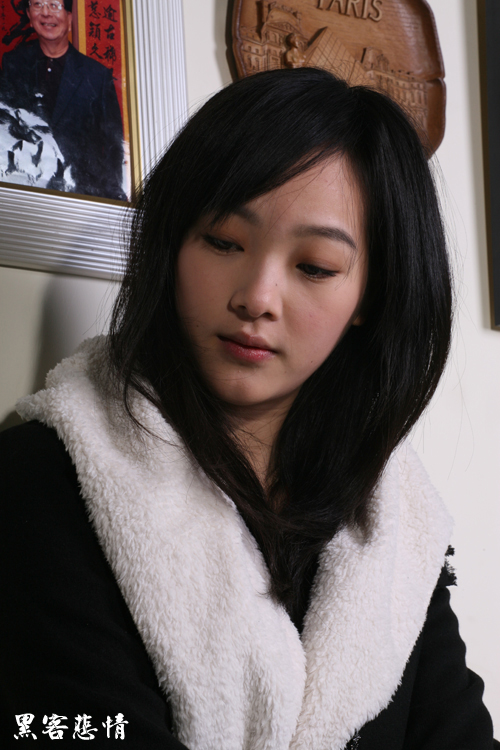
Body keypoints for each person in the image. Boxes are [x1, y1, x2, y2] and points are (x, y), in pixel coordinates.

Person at [0, 68, 498, 749]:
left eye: (315, 267)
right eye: (224, 242)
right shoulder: (44, 479)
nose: (257, 297)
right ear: (174, 241)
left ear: (370, 297)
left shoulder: (394, 523)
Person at [0, 0, 126, 200]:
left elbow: (114, 147)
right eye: (38, 4)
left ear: (69, 16)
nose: (46, 13)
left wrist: (112, 200)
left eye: (54, 5)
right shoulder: (13, 64)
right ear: (29, 15)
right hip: (24, 190)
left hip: (80, 195)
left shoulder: (97, 76)